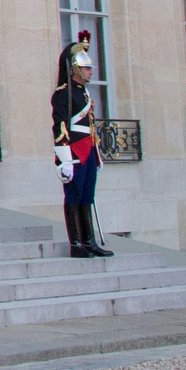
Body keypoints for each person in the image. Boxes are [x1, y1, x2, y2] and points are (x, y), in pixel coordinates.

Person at [51, 31, 110, 257]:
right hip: (74, 152)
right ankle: (76, 243)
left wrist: (97, 153)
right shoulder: (63, 94)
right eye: (86, 68)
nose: (90, 71)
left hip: (88, 151)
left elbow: (91, 126)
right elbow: (60, 127)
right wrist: (64, 159)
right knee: (74, 197)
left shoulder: (84, 93)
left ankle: (89, 240)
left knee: (87, 196)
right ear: (74, 69)